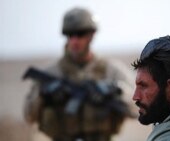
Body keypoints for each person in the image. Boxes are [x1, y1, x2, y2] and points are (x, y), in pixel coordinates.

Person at [24, 7, 134, 141]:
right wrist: (43, 96)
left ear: (91, 35)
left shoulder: (111, 70)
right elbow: (28, 117)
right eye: (70, 35)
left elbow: (136, 109)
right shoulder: (52, 73)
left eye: (80, 34)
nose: (75, 40)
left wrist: (115, 92)